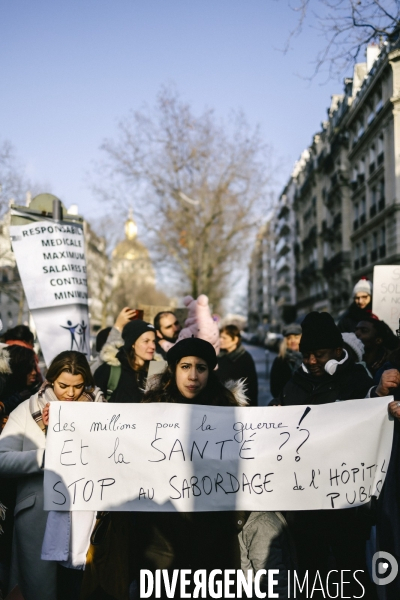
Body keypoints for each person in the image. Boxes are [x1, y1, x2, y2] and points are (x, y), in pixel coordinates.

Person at [136, 338, 247, 598]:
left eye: (201, 368)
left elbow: (246, 468)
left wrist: (237, 519)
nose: (193, 376)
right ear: (173, 368)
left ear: (211, 372)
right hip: (161, 535)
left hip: (215, 534)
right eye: (185, 367)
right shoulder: (149, 411)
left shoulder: (232, 412)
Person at [279, 311, 375, 598]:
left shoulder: (358, 380)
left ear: (337, 351)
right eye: (306, 354)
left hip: (347, 501)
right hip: (306, 503)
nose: (311, 362)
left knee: (349, 565)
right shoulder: (293, 384)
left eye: (318, 355)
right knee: (310, 567)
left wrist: (378, 398)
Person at [0, 351, 104, 600]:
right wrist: (47, 457)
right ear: (50, 380)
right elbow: (2, 459)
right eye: (63, 386)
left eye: (78, 386)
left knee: (78, 588)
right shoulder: (28, 409)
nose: (70, 393)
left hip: (84, 520)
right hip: (38, 520)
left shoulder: (101, 410)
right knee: (40, 589)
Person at [94, 320, 156, 402]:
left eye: (154, 341)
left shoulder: (157, 371)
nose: (153, 346)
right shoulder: (110, 370)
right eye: (146, 341)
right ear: (132, 344)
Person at [217, 324, 258, 406]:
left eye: (224, 338)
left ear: (235, 339)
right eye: (220, 337)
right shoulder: (218, 356)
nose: (220, 340)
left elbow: (252, 387)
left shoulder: (245, 358)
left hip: (239, 406)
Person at [269, 323, 302, 399]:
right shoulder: (279, 361)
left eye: (296, 337)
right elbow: (274, 388)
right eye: (289, 338)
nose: (292, 341)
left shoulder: (309, 359)